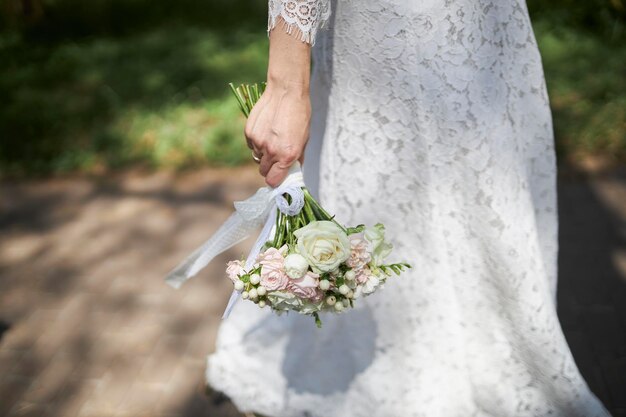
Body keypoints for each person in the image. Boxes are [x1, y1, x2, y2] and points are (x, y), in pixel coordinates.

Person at [206, 1, 613, 416]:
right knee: (384, 190)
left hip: (484, 24)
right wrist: (285, 84)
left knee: (486, 200)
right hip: (387, 25)